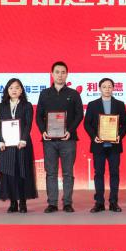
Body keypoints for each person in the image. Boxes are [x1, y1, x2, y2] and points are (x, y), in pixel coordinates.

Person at [36, 61, 84, 213]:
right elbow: (38, 116)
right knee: (51, 172)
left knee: (68, 172)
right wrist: (43, 131)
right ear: (52, 74)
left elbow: (79, 115)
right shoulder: (45, 93)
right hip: (49, 140)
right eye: (57, 72)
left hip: (68, 139)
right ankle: (52, 203)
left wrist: (70, 130)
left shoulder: (73, 94)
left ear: (67, 74)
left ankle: (67, 203)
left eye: (63, 72)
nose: (60, 75)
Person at [83, 78, 126, 212]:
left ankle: (113, 202)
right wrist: (94, 136)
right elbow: (87, 123)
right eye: (104, 87)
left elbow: (125, 124)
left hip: (114, 146)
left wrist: (120, 135)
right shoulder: (92, 104)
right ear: (99, 89)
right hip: (99, 145)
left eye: (110, 86)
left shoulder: (119, 104)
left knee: (114, 173)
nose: (107, 89)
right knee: (99, 174)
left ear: (113, 88)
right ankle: (99, 202)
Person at [0, 78, 37, 213]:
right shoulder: (1, 106)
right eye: (11, 88)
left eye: (17, 87)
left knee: (22, 173)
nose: (14, 90)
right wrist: (0, 140)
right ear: (7, 90)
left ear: (21, 90)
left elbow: (28, 124)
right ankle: (13, 203)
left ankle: (23, 203)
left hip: (22, 144)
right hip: (6, 145)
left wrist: (23, 139)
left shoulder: (27, 105)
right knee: (9, 174)